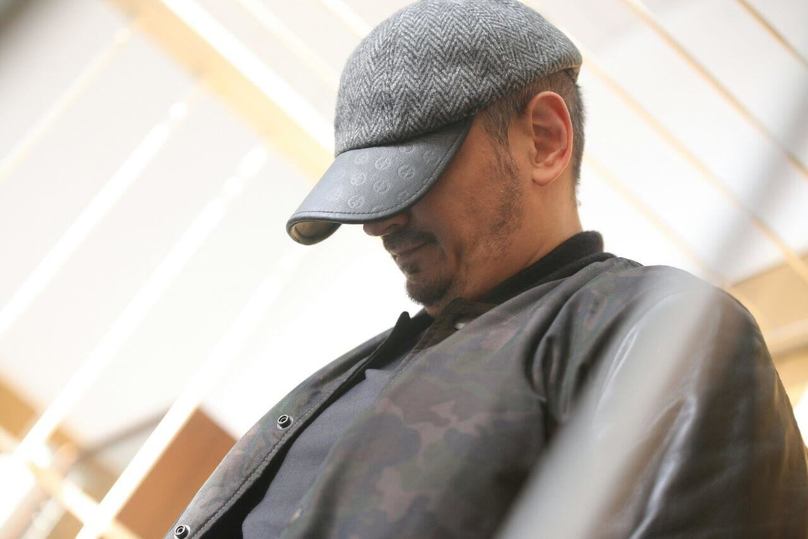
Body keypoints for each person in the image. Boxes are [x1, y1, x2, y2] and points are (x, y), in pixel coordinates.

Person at [167, 1, 808, 538]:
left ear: (544, 140)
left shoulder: (656, 329)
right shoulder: (363, 367)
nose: (377, 223)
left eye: (408, 178)